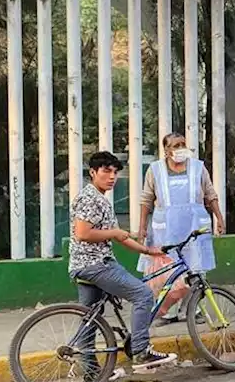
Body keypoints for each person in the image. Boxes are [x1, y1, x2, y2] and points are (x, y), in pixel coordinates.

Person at [70, 152, 176, 368]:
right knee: (143, 295)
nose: (112, 177)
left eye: (115, 172)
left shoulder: (101, 199)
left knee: (90, 317)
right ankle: (141, 351)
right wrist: (114, 234)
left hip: (84, 265)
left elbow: (120, 236)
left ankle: (91, 372)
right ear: (93, 172)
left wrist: (148, 251)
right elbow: (83, 233)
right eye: (106, 171)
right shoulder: (90, 198)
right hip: (96, 264)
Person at [136, 132, 225, 322]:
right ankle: (168, 309)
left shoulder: (198, 168)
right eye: (176, 146)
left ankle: (192, 309)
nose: (180, 149)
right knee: (168, 270)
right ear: (166, 150)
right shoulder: (155, 170)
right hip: (166, 228)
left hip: (193, 225)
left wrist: (219, 217)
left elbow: (210, 194)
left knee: (195, 268)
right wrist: (142, 227)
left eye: (183, 144)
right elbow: (146, 200)